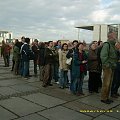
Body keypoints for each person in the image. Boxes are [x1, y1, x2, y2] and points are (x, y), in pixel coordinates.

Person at [100, 32, 117, 104]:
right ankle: (104, 98)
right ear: (110, 36)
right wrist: (107, 65)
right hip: (108, 67)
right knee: (106, 84)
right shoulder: (107, 45)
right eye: (115, 35)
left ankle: (107, 97)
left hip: (111, 67)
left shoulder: (112, 45)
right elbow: (103, 56)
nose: (116, 37)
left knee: (109, 83)